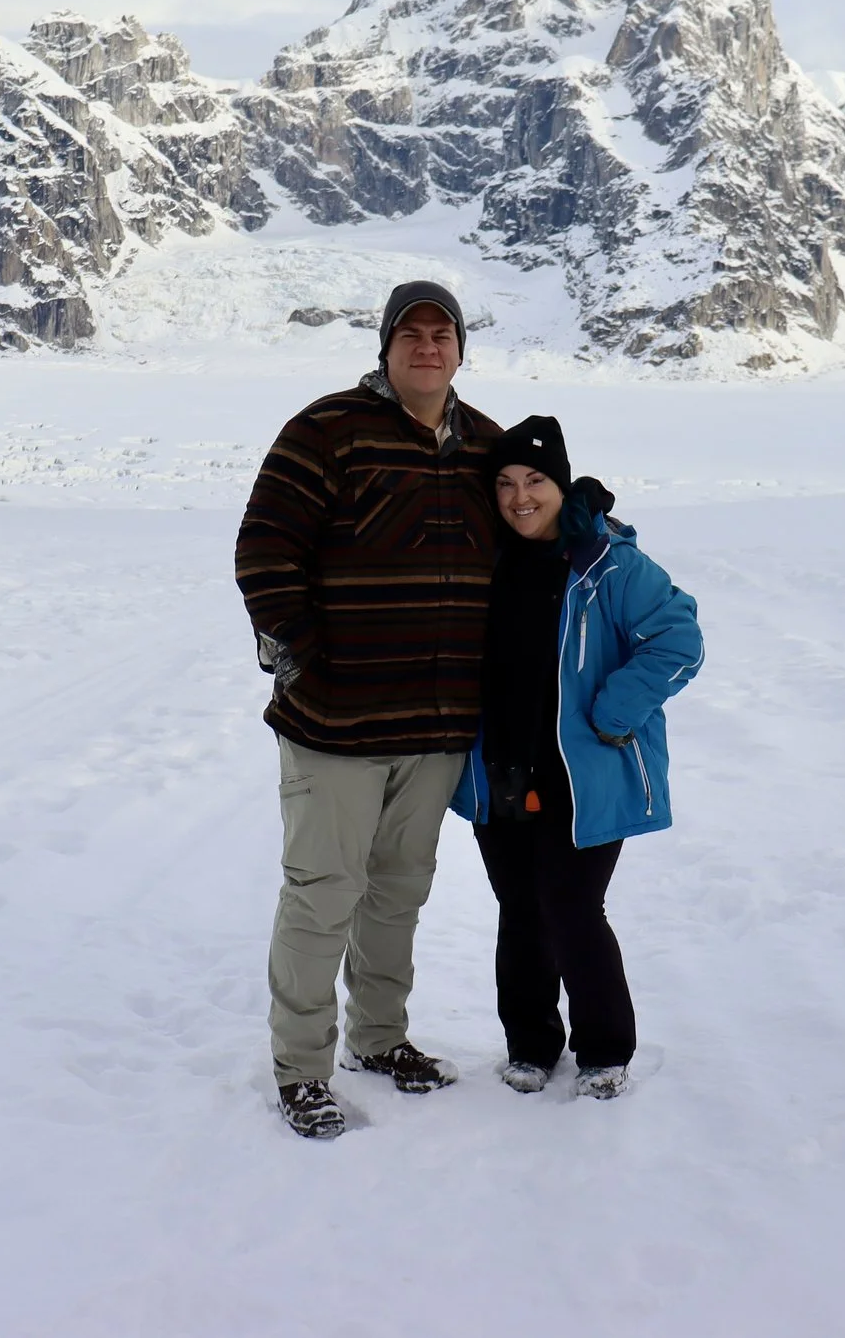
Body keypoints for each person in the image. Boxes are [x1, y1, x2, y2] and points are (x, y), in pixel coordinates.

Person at [235, 282, 504, 1140]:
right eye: (411, 334)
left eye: (443, 333)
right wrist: (304, 653)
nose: (428, 347)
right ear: (386, 347)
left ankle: (380, 1039)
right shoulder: (327, 431)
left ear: (461, 349)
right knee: (323, 895)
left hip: (436, 728)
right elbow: (264, 547)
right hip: (336, 725)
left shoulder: (487, 447)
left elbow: (537, 531)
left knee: (398, 892)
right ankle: (300, 1069)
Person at [452, 415, 701, 1100]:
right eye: (504, 483)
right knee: (518, 907)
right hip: (499, 767)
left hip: (581, 774)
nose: (519, 497)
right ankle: (530, 1043)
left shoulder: (609, 563)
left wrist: (615, 711)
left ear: (561, 484)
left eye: (535, 480)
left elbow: (678, 639)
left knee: (570, 905)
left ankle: (604, 1047)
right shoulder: (487, 560)